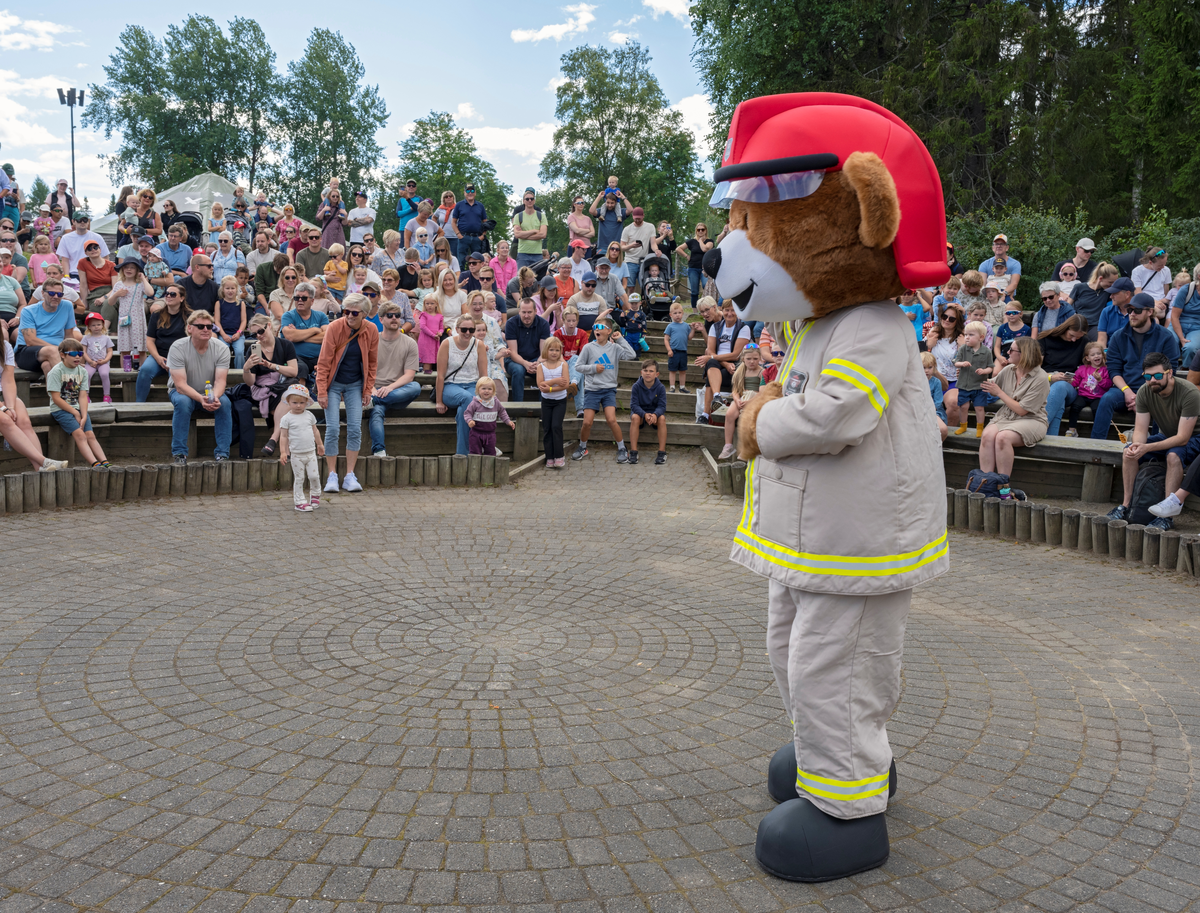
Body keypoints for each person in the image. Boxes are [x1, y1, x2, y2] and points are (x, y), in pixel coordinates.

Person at [1106, 351, 1200, 529]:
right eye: (1147, 376)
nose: (1152, 380)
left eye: (1157, 375)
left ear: (1170, 373)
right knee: (1129, 453)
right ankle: (1126, 505)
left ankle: (1167, 514)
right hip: (1168, 434)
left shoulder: (1189, 392)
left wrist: (1147, 448)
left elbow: (1182, 438)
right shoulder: (1144, 391)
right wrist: (1138, 446)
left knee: (1173, 456)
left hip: (1194, 436)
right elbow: (1141, 429)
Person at [1092, 293, 1180, 439]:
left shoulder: (1166, 337)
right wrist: (1127, 392)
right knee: (1107, 399)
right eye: (1130, 310)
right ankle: (1095, 449)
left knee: (1163, 402)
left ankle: (1157, 449)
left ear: (1150, 312)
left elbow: (1170, 371)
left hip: (1155, 389)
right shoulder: (1118, 336)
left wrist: (1143, 398)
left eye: (1137, 310)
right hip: (1125, 390)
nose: (1132, 314)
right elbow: (1113, 369)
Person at [315, 292, 377, 491]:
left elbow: (373, 362)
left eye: (355, 313)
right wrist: (322, 391)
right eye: (346, 311)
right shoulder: (335, 327)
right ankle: (332, 475)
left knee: (354, 428)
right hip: (333, 383)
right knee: (332, 428)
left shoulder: (372, 330)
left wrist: (368, 389)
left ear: (364, 314)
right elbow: (323, 361)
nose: (349, 315)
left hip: (355, 384)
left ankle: (350, 475)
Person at [977, 336, 1049, 476]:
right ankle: (986, 484)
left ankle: (1003, 487)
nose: (1007, 352)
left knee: (1003, 437)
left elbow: (1022, 410)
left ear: (1023, 354)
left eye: (1011, 350)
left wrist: (999, 393)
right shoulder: (1009, 369)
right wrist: (968, 378)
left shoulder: (1041, 377)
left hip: (1032, 419)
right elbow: (989, 384)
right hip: (1007, 416)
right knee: (987, 435)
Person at [167, 310, 232, 464]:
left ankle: (223, 453)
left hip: (209, 391)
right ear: (190, 328)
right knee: (183, 402)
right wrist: (201, 399)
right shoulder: (178, 347)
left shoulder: (221, 347)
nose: (205, 329)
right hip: (181, 391)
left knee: (225, 403)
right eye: (201, 326)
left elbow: (220, 381)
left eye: (209, 327)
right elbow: (180, 385)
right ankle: (179, 453)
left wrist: (214, 397)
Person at [571, 319, 636, 462]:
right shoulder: (588, 347)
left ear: (609, 331)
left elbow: (631, 355)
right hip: (592, 390)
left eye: (601, 327)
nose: (596, 330)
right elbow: (578, 366)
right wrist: (593, 368)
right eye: (595, 327)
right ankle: (583, 447)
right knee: (587, 422)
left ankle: (622, 448)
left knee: (611, 419)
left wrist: (620, 340)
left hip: (609, 389)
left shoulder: (615, 348)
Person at [1, 334, 65, 470]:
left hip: (3, 393)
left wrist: (10, 406)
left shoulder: (5, 346)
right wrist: (3, 408)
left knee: (23, 421)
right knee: (5, 420)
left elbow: (8, 380)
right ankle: (44, 461)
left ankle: (40, 469)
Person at [366, 301, 421, 457]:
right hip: (375, 389)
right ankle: (379, 450)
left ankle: (373, 401)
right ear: (381, 318)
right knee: (376, 412)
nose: (394, 318)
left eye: (398, 316)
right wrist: (372, 390)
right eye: (390, 315)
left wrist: (389, 389)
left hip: (398, 392)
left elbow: (409, 375)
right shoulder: (371, 341)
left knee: (416, 386)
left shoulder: (410, 343)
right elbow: (363, 372)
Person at [47, 340, 110, 467]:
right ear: (62, 355)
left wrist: (84, 414)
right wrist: (75, 412)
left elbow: (83, 395)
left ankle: (105, 462)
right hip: (60, 409)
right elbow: (56, 398)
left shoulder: (82, 371)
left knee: (90, 435)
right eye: (73, 353)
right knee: (80, 435)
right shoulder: (56, 371)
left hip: (78, 409)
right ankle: (95, 464)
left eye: (80, 353)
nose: (77, 356)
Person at [435, 313, 489, 455]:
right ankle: (470, 451)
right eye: (464, 329)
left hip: (472, 385)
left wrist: (487, 396)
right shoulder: (447, 343)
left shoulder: (479, 345)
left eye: (471, 330)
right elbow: (440, 375)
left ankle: (463, 453)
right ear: (457, 329)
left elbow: (484, 375)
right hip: (451, 386)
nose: (467, 333)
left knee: (462, 411)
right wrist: (439, 401)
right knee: (468, 399)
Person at [697, 302, 751, 421]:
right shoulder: (715, 327)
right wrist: (725, 363)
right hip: (721, 364)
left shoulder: (744, 328)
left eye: (733, 310)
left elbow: (735, 355)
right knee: (711, 363)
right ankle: (717, 397)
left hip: (735, 367)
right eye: (727, 310)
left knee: (711, 375)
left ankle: (705, 415)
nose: (729, 313)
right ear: (722, 310)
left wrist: (713, 358)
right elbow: (710, 351)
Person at [15, 275, 79, 375]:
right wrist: (60, 351)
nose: (56, 297)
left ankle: (56, 391)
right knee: (52, 351)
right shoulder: (28, 311)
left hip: (56, 354)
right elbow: (30, 341)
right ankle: (70, 387)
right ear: (42, 293)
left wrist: (71, 352)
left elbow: (69, 336)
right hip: (26, 352)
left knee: (47, 366)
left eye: (59, 294)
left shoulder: (67, 306)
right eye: (52, 293)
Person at [1038, 314, 1090, 436]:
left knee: (1060, 386)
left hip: (1068, 387)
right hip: (1045, 383)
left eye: (1078, 337)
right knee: (1058, 404)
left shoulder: (1084, 342)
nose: (1074, 340)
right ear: (1065, 328)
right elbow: (1034, 369)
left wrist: (1075, 380)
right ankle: (1050, 447)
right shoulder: (1045, 339)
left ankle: (1038, 427)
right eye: (1071, 335)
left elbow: (1089, 369)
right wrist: (1051, 377)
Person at [277, 384, 325, 512]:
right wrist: (283, 452)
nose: (298, 405)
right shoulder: (286, 419)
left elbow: (315, 431)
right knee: (300, 478)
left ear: (306, 402)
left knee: (314, 476)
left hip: (311, 453)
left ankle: (315, 495)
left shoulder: (309, 416)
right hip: (296, 455)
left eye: (302, 403)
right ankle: (299, 501)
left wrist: (320, 444)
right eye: (295, 402)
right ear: (288, 401)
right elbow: (283, 436)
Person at [137, 286, 190, 400]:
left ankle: (178, 405)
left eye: (173, 294)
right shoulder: (157, 315)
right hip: (159, 355)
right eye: (167, 293)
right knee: (144, 370)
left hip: (180, 358)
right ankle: (138, 406)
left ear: (182, 298)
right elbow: (150, 340)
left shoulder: (190, 316)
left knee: (176, 376)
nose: (168, 296)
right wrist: (157, 358)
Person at [279, 282, 328, 393]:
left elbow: (327, 337)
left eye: (304, 298)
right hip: (296, 357)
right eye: (297, 298)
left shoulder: (321, 316)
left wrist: (299, 335)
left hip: (319, 357)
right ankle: (300, 396)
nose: (300, 300)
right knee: (301, 368)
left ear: (312, 301)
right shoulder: (288, 316)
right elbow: (290, 336)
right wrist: (315, 330)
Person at [106, 259, 153, 371]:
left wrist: (143, 279)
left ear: (137, 270)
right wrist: (116, 294)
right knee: (124, 349)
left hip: (138, 319)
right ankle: (124, 375)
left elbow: (150, 293)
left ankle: (143, 374)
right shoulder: (119, 284)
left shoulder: (140, 284)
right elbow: (110, 302)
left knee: (141, 349)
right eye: (126, 267)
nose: (129, 269)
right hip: (124, 319)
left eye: (132, 267)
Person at [504, 299, 551, 402]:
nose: (526, 315)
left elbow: (544, 352)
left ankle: (543, 409)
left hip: (536, 358)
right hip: (514, 360)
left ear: (535, 311)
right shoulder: (511, 323)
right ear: (519, 311)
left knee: (544, 369)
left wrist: (537, 364)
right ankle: (518, 408)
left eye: (529, 312)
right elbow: (513, 353)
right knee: (518, 370)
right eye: (524, 312)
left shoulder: (543, 324)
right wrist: (525, 363)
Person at [952, 320, 993, 436]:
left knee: (979, 408)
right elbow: (956, 362)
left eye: (971, 335)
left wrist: (985, 371)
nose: (967, 338)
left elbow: (991, 367)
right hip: (964, 384)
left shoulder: (986, 352)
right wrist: (962, 364)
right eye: (965, 335)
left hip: (980, 385)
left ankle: (980, 427)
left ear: (981, 337)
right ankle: (963, 426)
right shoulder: (963, 349)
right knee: (963, 406)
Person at [537, 336, 570, 467]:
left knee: (556, 426)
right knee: (547, 428)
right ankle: (549, 456)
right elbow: (540, 385)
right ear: (546, 350)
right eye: (551, 350)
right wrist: (555, 381)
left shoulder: (563, 365)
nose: (554, 353)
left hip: (560, 401)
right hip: (546, 402)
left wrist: (549, 388)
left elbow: (566, 385)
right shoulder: (541, 366)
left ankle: (559, 455)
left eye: (557, 350)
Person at [629, 359, 668, 464]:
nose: (648, 373)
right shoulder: (636, 386)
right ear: (641, 372)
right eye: (645, 370)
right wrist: (644, 414)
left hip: (655, 413)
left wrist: (655, 414)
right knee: (634, 417)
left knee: (662, 419)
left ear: (657, 374)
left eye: (651, 371)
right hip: (640, 413)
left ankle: (662, 452)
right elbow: (633, 405)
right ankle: (633, 451)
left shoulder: (660, 387)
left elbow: (662, 406)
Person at [464, 377, 515, 456]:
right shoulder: (475, 403)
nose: (486, 391)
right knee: (475, 453)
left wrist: (508, 421)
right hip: (476, 433)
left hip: (490, 434)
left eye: (489, 389)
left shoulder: (495, 402)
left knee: (490, 453)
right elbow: (467, 413)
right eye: (483, 388)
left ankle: (488, 468)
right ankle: (475, 467)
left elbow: (502, 412)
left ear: (493, 391)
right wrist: (469, 421)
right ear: (478, 390)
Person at [1169, 265, 1200, 367]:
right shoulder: (1187, 290)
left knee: (1190, 348)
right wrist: (1181, 338)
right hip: (1178, 323)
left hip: (1197, 328)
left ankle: (1187, 374)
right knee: (1168, 342)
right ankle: (1168, 371)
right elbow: (1174, 316)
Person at [214, 276, 248, 368]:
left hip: (238, 335)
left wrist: (239, 333)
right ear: (223, 289)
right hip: (224, 334)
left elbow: (244, 321)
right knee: (223, 351)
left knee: (239, 352)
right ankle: (223, 371)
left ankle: (240, 372)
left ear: (236, 289)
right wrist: (223, 335)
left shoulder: (241, 303)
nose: (230, 291)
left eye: (232, 288)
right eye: (227, 288)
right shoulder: (219, 303)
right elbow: (216, 321)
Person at [81, 313, 115, 403]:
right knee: (86, 374)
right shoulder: (86, 338)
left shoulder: (106, 338)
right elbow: (83, 351)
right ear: (88, 327)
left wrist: (105, 360)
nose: (96, 327)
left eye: (98, 324)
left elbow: (110, 351)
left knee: (104, 374)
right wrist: (89, 361)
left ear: (103, 325)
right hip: (90, 363)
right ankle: (86, 396)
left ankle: (107, 396)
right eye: (93, 325)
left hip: (103, 363)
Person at [620, 207, 658, 289]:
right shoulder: (627, 229)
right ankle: (630, 301)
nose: (637, 220)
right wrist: (631, 245)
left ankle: (645, 300)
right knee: (630, 286)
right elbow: (621, 247)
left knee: (645, 285)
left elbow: (653, 243)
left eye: (639, 219)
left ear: (643, 216)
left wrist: (657, 250)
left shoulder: (650, 227)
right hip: (630, 261)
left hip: (643, 261)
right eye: (635, 219)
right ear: (633, 217)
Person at [451, 184, 488, 263]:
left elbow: (486, 222)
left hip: (477, 238)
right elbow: (453, 222)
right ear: (464, 193)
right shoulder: (459, 205)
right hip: (463, 237)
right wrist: (458, 234)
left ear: (475, 193)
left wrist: (483, 235)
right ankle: (462, 275)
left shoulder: (480, 206)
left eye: (472, 190)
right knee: (461, 261)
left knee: (477, 261)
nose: (470, 193)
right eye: (468, 190)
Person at [78, 239, 117, 313]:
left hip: (110, 294)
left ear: (100, 249)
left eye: (95, 247)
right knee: (98, 307)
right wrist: (85, 303)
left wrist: (104, 297)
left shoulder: (111, 265)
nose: (93, 250)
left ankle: (106, 325)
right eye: (89, 249)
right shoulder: (82, 263)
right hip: (94, 295)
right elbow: (83, 285)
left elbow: (115, 287)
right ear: (86, 253)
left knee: (108, 304)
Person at [511, 189, 547, 269]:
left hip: (537, 253)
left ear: (534, 200)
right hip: (522, 253)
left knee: (537, 280)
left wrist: (523, 235)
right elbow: (517, 234)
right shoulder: (518, 216)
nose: (529, 200)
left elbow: (543, 234)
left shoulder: (541, 216)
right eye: (527, 199)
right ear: (523, 201)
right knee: (521, 279)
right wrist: (533, 231)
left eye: (532, 198)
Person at [663, 301, 694, 394]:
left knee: (683, 370)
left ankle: (682, 387)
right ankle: (672, 387)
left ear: (682, 313)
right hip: (674, 351)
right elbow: (666, 339)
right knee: (672, 370)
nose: (677, 315)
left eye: (679, 313)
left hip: (683, 351)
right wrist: (669, 350)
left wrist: (693, 329)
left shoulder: (686, 326)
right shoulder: (670, 326)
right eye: (675, 313)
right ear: (671, 315)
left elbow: (689, 338)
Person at [978, 233, 1021, 298]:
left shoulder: (1015, 264)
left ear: (1007, 248)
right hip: (989, 295)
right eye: (997, 244)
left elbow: (1014, 284)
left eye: (1002, 244)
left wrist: (1003, 294)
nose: (999, 246)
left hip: (1007, 294)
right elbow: (982, 285)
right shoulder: (984, 265)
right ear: (993, 248)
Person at [1097, 276, 1134, 347]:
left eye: (1115, 293)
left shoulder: (1138, 312)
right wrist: (1104, 354)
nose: (1111, 296)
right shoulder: (1106, 311)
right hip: (1111, 353)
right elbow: (1101, 340)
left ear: (1127, 294)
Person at [1132, 247, 1172, 314]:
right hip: (1144, 302)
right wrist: (1155, 302)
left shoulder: (1166, 270)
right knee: (1155, 316)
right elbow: (1138, 293)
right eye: (1160, 265)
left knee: (1158, 313)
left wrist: (1164, 301)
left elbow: (1166, 293)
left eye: (1165, 264)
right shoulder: (1137, 271)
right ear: (1150, 262)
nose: (1163, 267)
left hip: (1161, 302)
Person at [921, 351, 950, 441]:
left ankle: (936, 449)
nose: (926, 370)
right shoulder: (915, 382)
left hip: (934, 410)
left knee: (942, 429)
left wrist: (928, 411)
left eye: (930, 367)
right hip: (918, 410)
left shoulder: (936, 382)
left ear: (934, 367)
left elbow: (938, 402)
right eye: (923, 367)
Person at [591, 188, 627, 257]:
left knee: (615, 267)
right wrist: (599, 197)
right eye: (608, 202)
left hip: (616, 248)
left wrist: (623, 197)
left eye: (612, 203)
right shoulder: (602, 211)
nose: (610, 205)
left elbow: (630, 209)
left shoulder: (620, 212)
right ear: (605, 202)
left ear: (616, 202)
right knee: (601, 267)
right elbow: (591, 211)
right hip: (602, 247)